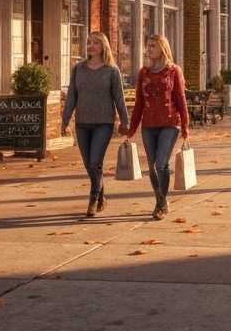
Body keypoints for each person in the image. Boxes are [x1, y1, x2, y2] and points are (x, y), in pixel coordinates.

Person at [60, 32, 128, 218]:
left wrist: (125, 122)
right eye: (89, 42)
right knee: (88, 164)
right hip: (82, 123)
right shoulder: (79, 69)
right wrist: (65, 121)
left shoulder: (111, 71)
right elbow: (72, 96)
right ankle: (102, 196)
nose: (90, 46)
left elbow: (119, 99)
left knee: (95, 162)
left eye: (95, 43)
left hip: (103, 123)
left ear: (103, 46)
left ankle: (92, 200)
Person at [122, 34, 190, 220]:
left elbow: (180, 99)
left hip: (170, 123)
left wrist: (185, 125)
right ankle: (161, 201)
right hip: (149, 124)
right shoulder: (144, 73)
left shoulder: (173, 71)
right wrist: (131, 129)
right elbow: (139, 103)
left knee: (161, 164)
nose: (149, 49)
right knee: (152, 166)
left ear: (162, 47)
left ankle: (161, 203)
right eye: (148, 45)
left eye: (153, 46)